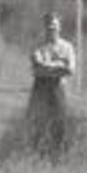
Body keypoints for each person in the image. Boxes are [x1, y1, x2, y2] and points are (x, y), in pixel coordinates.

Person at [26, 12, 77, 158]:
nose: (51, 29)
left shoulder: (67, 47)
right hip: (40, 89)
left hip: (58, 89)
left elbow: (70, 70)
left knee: (60, 126)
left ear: (59, 27)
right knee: (36, 124)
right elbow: (37, 67)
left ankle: (59, 157)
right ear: (44, 27)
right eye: (48, 26)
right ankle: (35, 156)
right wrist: (59, 64)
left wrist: (48, 67)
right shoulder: (37, 44)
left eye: (54, 26)